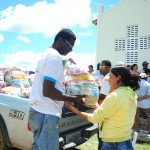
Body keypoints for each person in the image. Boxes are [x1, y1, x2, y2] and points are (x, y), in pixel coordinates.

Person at [28, 28, 85, 150]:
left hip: (38, 110)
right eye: (70, 45)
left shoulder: (46, 54)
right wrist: (73, 98)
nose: (70, 49)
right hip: (47, 113)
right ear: (60, 40)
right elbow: (48, 91)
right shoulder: (54, 57)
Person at [65, 67, 139, 150]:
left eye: (111, 77)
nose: (108, 80)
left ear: (119, 77)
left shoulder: (114, 96)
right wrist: (97, 107)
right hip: (125, 139)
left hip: (112, 142)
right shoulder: (131, 94)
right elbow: (116, 114)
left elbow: (96, 118)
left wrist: (73, 109)